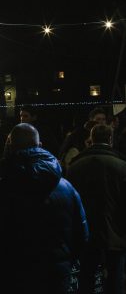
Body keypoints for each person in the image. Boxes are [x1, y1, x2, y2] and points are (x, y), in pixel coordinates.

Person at [0, 123, 88, 294]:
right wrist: (65, 260)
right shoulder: (66, 187)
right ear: (40, 145)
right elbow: (81, 234)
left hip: (14, 274)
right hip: (56, 272)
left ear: (10, 147)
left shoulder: (0, 190)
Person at [67, 124, 126, 294]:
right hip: (115, 231)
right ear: (110, 139)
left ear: (91, 139)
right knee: (115, 276)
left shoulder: (75, 166)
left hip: (87, 232)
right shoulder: (121, 165)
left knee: (86, 275)